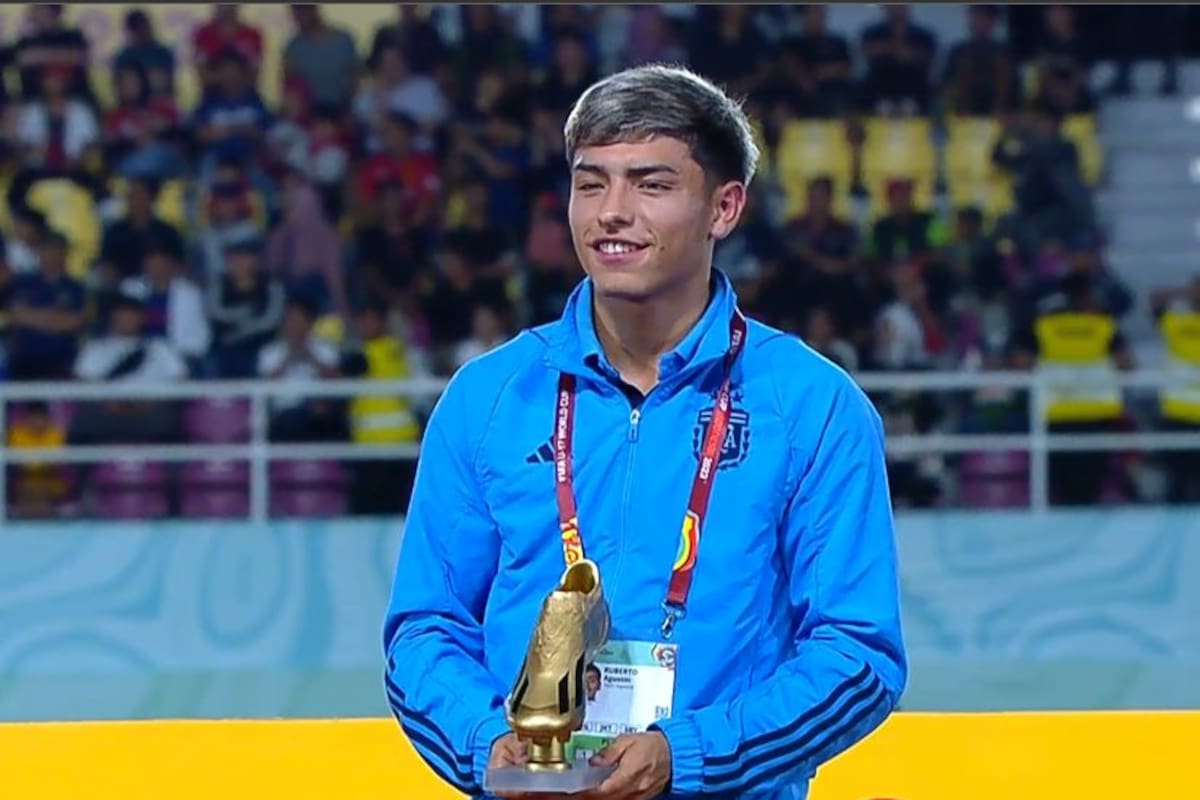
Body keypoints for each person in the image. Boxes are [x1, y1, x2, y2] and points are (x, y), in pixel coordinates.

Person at [382, 64, 906, 800]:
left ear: (724, 208)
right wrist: (489, 746)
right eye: (590, 183)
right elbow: (425, 631)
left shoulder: (812, 405)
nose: (611, 213)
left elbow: (859, 658)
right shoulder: (489, 397)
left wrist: (685, 755)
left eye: (651, 185)